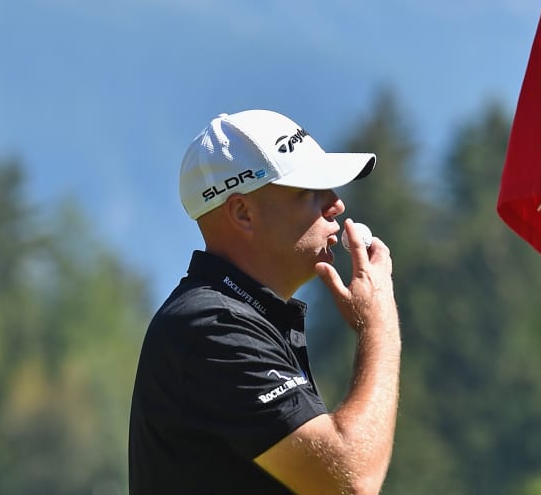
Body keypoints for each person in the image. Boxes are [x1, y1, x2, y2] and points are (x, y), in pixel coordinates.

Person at [128, 109, 402, 494]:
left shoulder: (230, 316)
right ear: (242, 212)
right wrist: (380, 325)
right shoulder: (212, 327)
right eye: (310, 190)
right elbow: (351, 480)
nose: (336, 204)